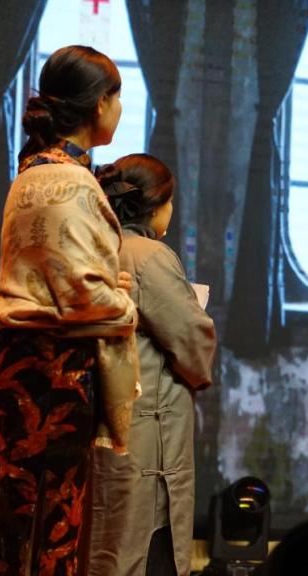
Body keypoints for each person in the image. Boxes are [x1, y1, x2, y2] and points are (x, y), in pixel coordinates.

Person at [0, 45, 138, 575]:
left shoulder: (31, 171)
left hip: (17, 365)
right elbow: (84, 296)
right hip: (54, 375)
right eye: (117, 97)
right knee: (52, 524)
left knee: (9, 523)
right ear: (98, 104)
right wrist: (123, 301)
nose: (120, 109)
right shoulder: (70, 180)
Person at [90, 154, 217, 576]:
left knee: (105, 542)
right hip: (147, 429)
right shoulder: (149, 255)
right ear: (156, 204)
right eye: (171, 201)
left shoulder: (94, 249)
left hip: (103, 421)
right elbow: (192, 337)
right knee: (147, 544)